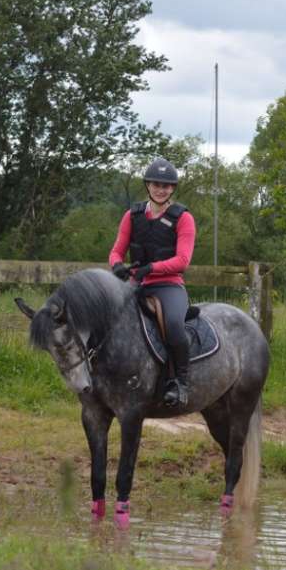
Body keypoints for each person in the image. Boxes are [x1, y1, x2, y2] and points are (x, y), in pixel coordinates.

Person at [109, 157, 196, 407]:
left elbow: (182, 260)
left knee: (174, 326)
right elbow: (116, 251)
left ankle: (180, 383)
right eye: (156, 184)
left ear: (173, 188)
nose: (161, 189)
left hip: (168, 285)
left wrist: (152, 268)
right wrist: (117, 266)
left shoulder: (183, 218)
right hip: (136, 284)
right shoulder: (132, 215)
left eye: (166, 186)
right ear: (148, 185)